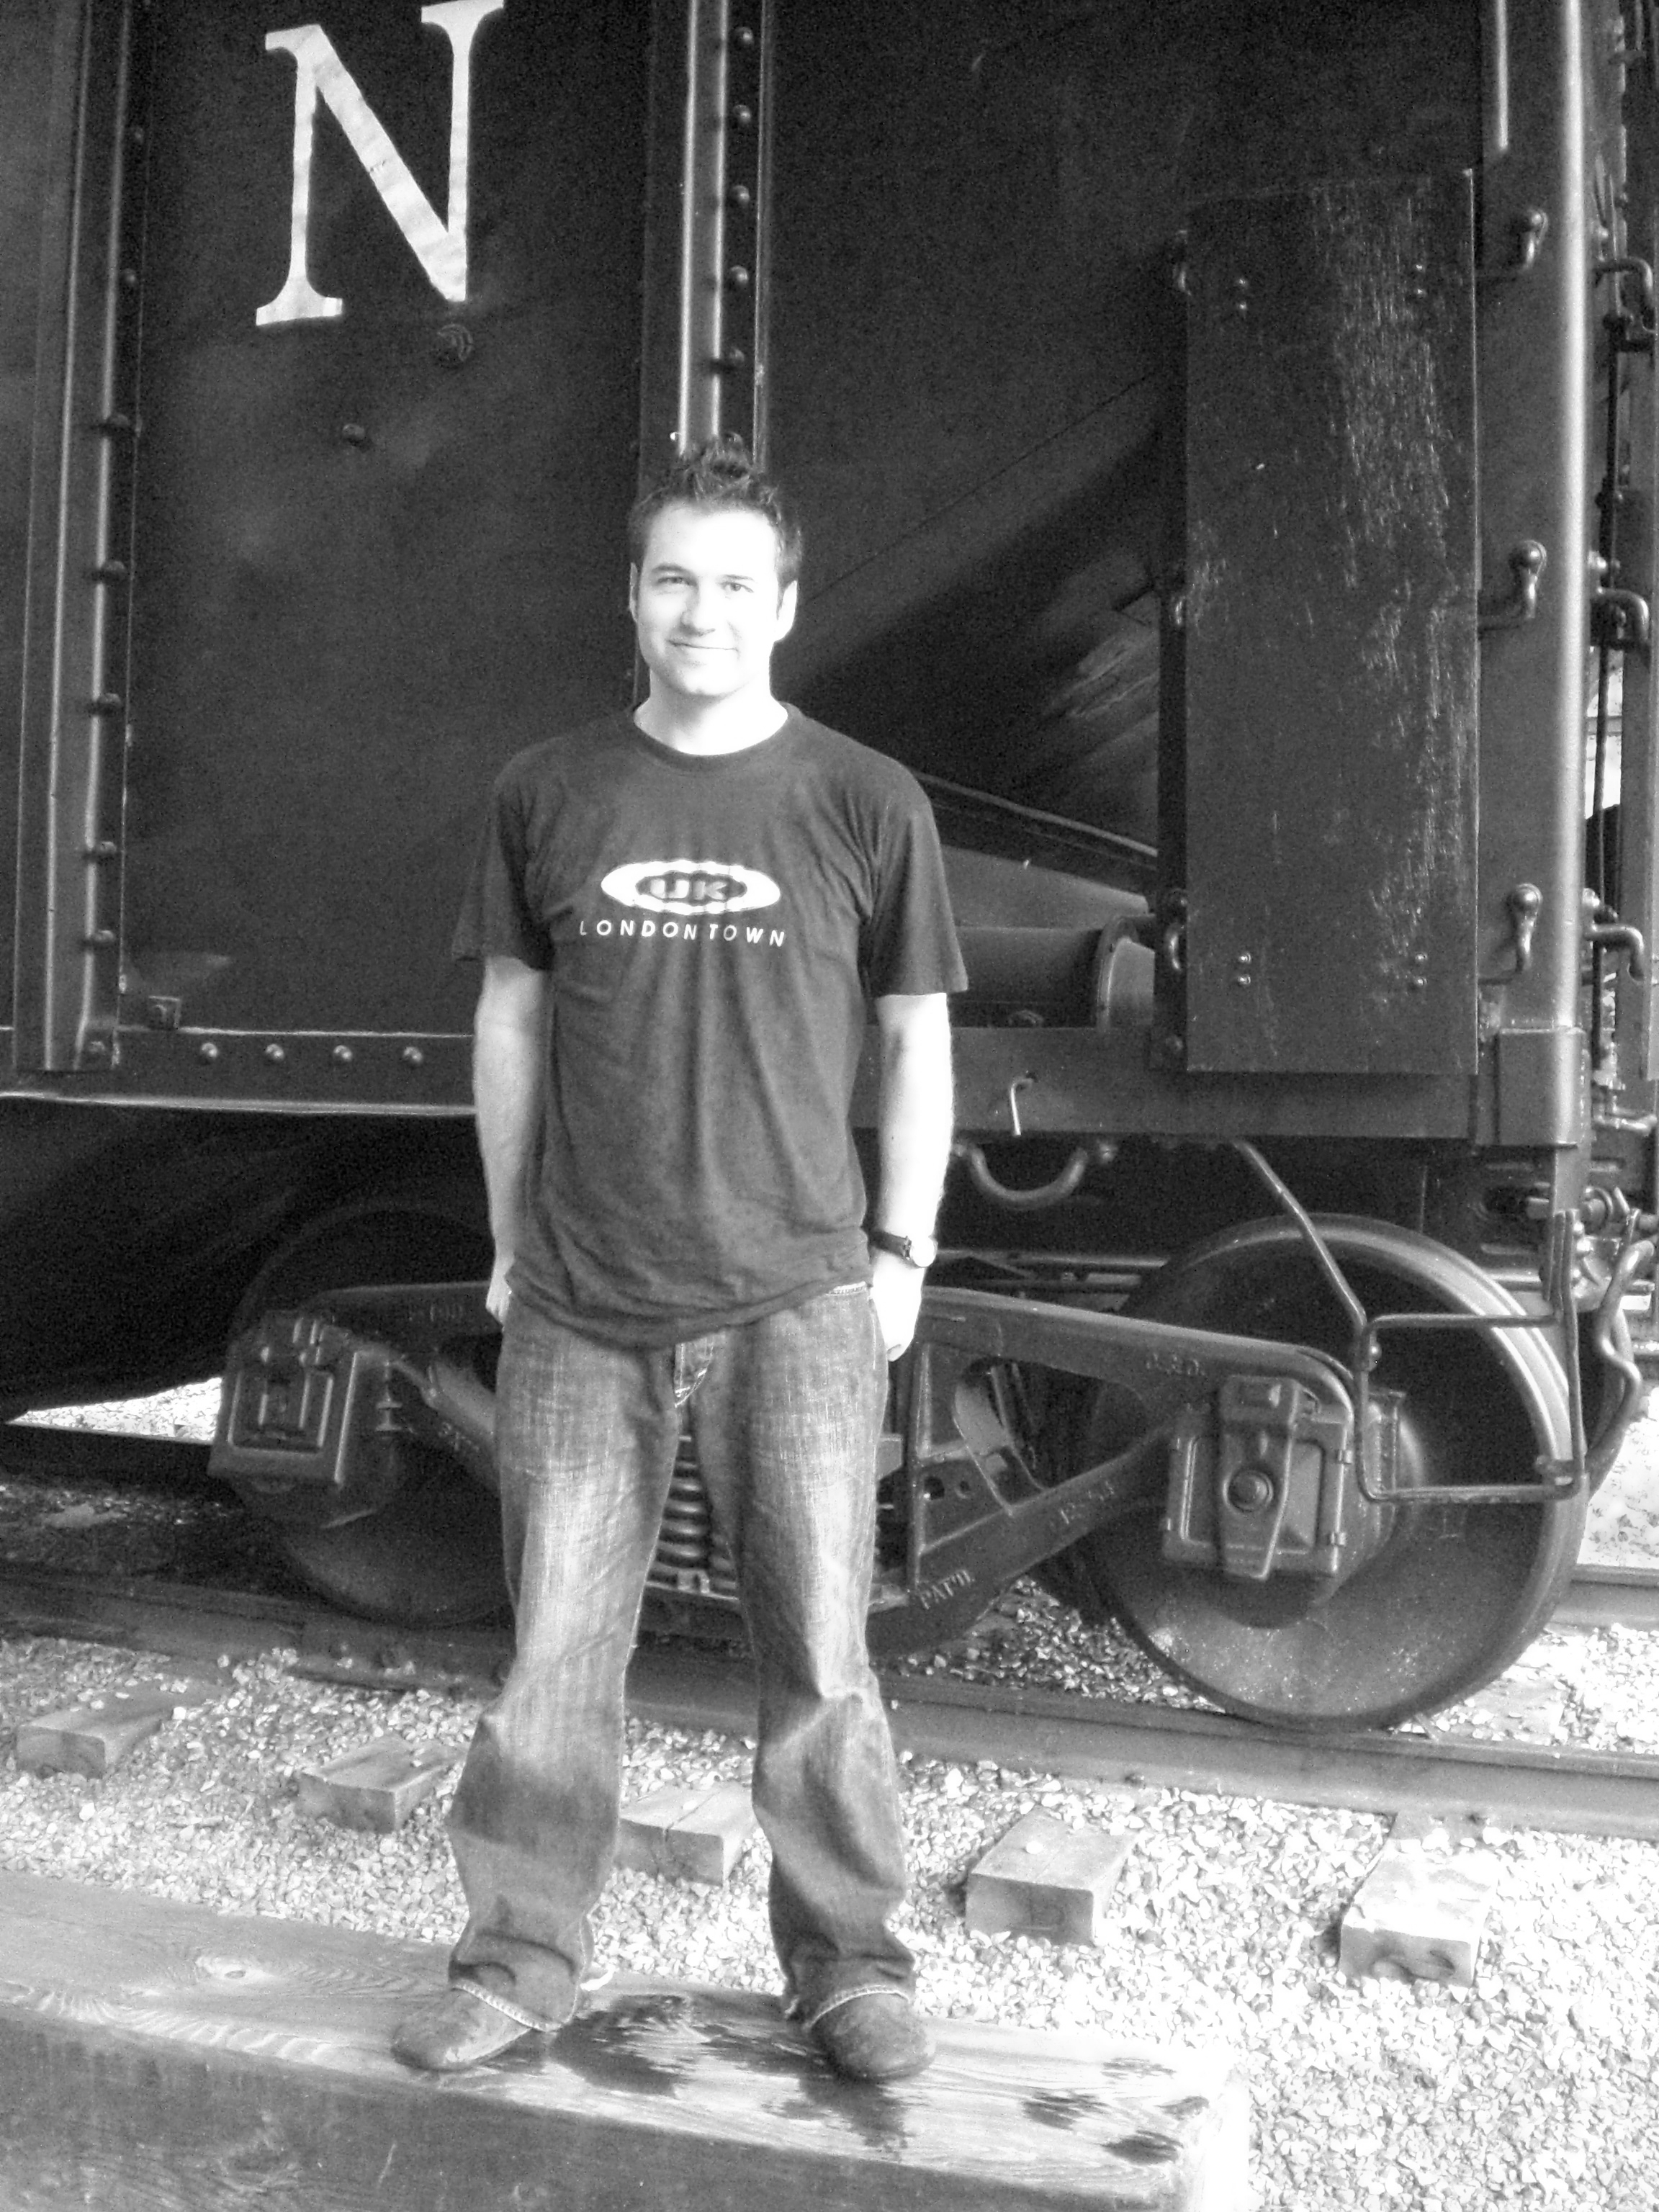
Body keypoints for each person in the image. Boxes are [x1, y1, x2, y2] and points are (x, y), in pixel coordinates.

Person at [392, 434, 965, 2084]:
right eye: (672, 581)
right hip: (584, 1302)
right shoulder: (549, 792)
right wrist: (509, 1238)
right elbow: (509, 1024)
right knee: (554, 1660)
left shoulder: (865, 800)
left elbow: (915, 1040)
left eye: (733, 584)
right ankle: (516, 1961)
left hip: (799, 1298)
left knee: (823, 1660)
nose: (700, 611)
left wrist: (902, 1253)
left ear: (783, 607)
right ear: (631, 602)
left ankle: (849, 1969)